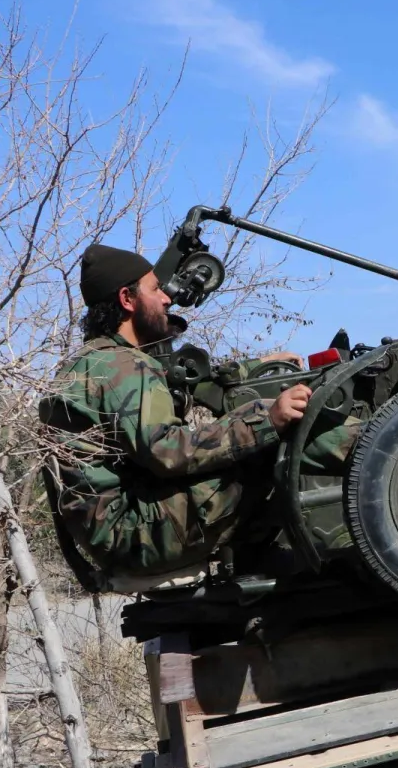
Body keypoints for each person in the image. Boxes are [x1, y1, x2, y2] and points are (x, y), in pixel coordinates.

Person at [40, 242, 336, 576]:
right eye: (154, 289)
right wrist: (267, 420)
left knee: (254, 446)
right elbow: (168, 451)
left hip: (117, 532)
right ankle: (379, 466)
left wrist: (258, 364)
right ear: (127, 299)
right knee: (274, 446)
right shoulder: (121, 366)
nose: (166, 298)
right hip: (135, 533)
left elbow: (188, 381)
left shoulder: (95, 361)